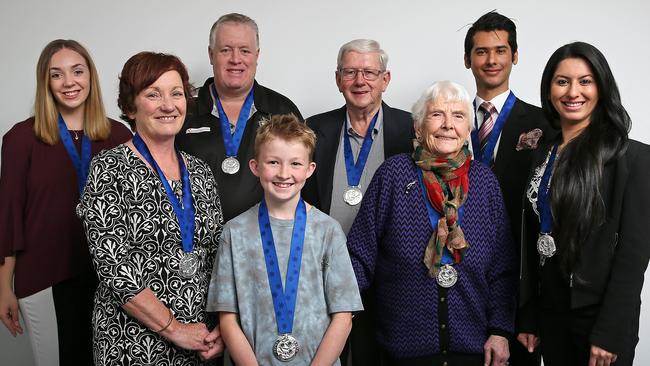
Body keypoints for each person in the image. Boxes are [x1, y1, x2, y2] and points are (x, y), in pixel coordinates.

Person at [347, 81, 516, 366]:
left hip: (474, 349)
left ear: (468, 132)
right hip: (404, 349)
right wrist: (335, 311)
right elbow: (359, 256)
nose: (448, 125)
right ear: (418, 127)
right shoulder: (393, 175)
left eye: (459, 116)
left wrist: (500, 331)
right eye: (437, 114)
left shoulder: (485, 182)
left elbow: (503, 267)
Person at [77, 52, 224, 365]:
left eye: (176, 93)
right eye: (153, 94)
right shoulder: (109, 168)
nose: (168, 105)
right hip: (132, 343)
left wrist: (222, 327)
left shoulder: (199, 171)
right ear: (131, 106)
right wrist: (174, 329)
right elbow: (115, 268)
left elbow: (218, 257)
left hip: (200, 342)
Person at [517, 42, 650, 366]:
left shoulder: (632, 158)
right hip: (551, 316)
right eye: (562, 81)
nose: (573, 91)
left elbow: (633, 258)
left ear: (602, 88)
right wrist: (530, 315)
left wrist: (611, 333)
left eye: (585, 81)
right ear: (549, 90)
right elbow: (533, 241)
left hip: (598, 320)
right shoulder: (542, 153)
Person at [0, 39, 131, 366]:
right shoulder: (20, 139)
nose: (69, 82)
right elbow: (9, 215)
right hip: (44, 274)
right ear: (45, 82)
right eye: (56, 74)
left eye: (77, 71)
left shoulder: (119, 136)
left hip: (109, 277)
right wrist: (4, 286)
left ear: (91, 76)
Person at [207, 114, 363, 365]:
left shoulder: (328, 231)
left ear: (310, 169)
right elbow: (228, 318)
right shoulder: (234, 233)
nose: (283, 173)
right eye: (273, 162)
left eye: (295, 164)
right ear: (255, 166)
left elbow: (343, 316)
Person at [301, 39, 413, 365]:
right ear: (338, 80)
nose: (360, 81)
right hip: (325, 276)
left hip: (388, 279)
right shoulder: (313, 129)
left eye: (369, 72)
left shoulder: (411, 130)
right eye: (350, 72)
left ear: (386, 79)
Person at [463, 12, 555, 365]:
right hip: (458, 280)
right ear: (468, 59)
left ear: (515, 56)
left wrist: (531, 309)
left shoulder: (544, 124)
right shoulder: (446, 122)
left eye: (501, 50)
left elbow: (544, 218)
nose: (491, 60)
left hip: (519, 286)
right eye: (482, 51)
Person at [176, 12, 303, 223]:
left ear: (257, 55)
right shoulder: (184, 108)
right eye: (226, 50)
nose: (236, 59)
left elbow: (301, 178)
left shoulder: (282, 110)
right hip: (195, 240)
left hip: (263, 243)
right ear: (210, 54)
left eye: (245, 50)